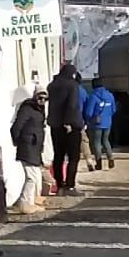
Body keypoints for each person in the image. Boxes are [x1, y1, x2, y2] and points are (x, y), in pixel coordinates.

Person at [46, 64, 84, 195]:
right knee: (73, 157)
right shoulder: (72, 85)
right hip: (70, 126)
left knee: (58, 155)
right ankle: (70, 186)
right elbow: (72, 105)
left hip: (55, 125)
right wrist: (68, 122)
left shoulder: (52, 85)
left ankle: (59, 185)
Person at [11, 89, 49, 214]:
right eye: (40, 97)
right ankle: (25, 202)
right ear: (35, 97)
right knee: (32, 177)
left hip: (34, 146)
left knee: (35, 175)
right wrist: (19, 142)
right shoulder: (27, 108)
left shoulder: (39, 109)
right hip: (27, 146)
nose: (42, 100)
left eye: (45, 98)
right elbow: (16, 127)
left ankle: (30, 201)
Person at [84, 79, 117, 170]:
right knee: (106, 140)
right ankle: (110, 158)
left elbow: (88, 112)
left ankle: (99, 163)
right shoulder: (110, 96)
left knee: (97, 143)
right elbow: (114, 109)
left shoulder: (93, 96)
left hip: (96, 123)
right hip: (107, 122)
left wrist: (88, 120)